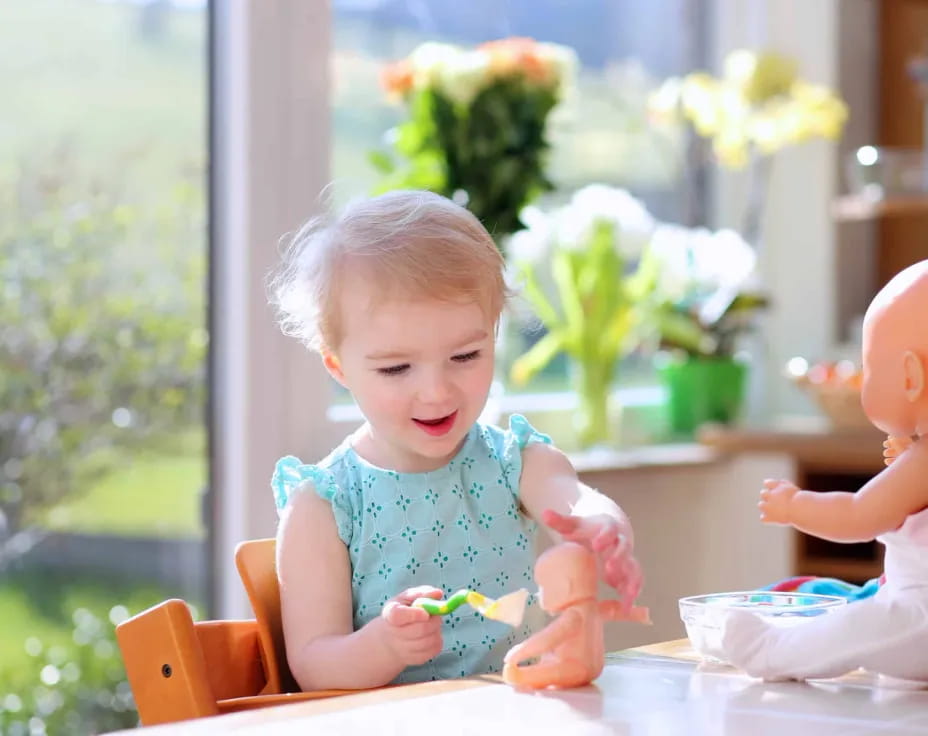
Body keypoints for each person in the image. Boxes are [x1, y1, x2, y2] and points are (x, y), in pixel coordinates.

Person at [268, 190, 643, 691]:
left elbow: (571, 499)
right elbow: (314, 666)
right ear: (338, 366)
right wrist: (384, 644)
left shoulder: (512, 461)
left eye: (466, 355)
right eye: (397, 368)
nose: (436, 391)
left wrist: (600, 525)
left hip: (517, 713)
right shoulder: (325, 505)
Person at [721, 259, 928, 684]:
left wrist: (795, 506)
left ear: (911, 376)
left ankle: (771, 652)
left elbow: (860, 515)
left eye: (870, 368)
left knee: (859, 627)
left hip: (919, 619)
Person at [503, 542, 650, 690]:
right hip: (595, 668)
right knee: (548, 659)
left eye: (543, 586)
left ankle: (522, 677)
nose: (539, 593)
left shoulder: (574, 617)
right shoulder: (593, 610)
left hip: (575, 669)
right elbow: (614, 609)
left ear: (565, 587)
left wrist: (521, 651)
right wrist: (639, 613)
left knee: (553, 671)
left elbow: (548, 638)